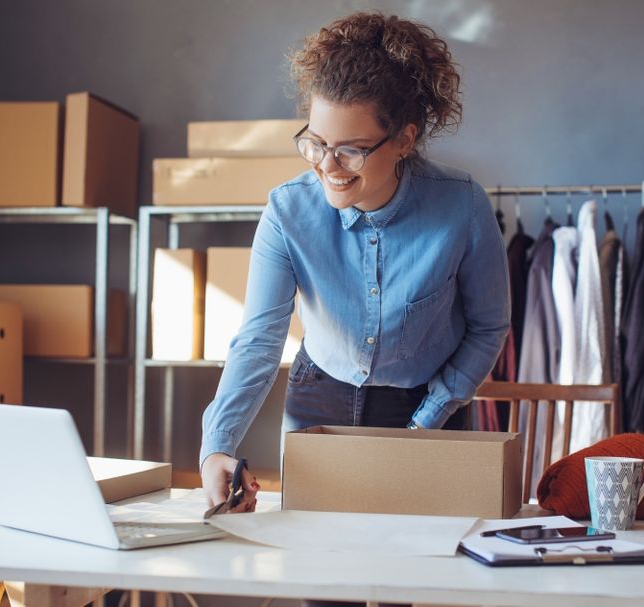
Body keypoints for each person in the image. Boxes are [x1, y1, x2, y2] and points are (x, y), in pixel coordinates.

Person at [199, 11, 510, 519]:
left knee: (415, 556)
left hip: (429, 403)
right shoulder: (287, 212)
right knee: (316, 559)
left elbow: (488, 326)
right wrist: (217, 445)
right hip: (317, 399)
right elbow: (258, 339)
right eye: (317, 143)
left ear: (404, 140)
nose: (327, 166)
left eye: (351, 151)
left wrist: (427, 418)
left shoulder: (462, 206)